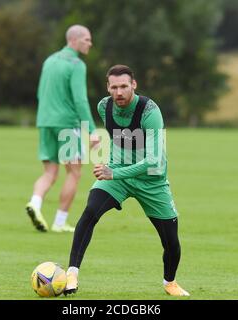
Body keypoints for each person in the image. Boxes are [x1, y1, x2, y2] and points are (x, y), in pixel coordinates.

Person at [63, 65, 190, 297]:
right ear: (108, 87)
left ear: (134, 85)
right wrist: (113, 169)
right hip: (118, 175)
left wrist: (114, 173)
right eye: (114, 87)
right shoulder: (104, 106)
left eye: (124, 86)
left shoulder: (150, 111)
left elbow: (153, 161)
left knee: (171, 240)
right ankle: (72, 273)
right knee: (90, 211)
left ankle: (169, 282)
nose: (119, 92)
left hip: (151, 180)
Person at [26, 25, 99, 233]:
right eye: (86, 39)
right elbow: (81, 100)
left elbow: (41, 93)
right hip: (67, 124)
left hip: (44, 121)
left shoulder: (49, 61)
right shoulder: (77, 64)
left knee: (49, 172)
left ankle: (35, 203)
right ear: (74, 40)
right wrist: (92, 130)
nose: (89, 43)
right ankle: (60, 222)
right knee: (74, 172)